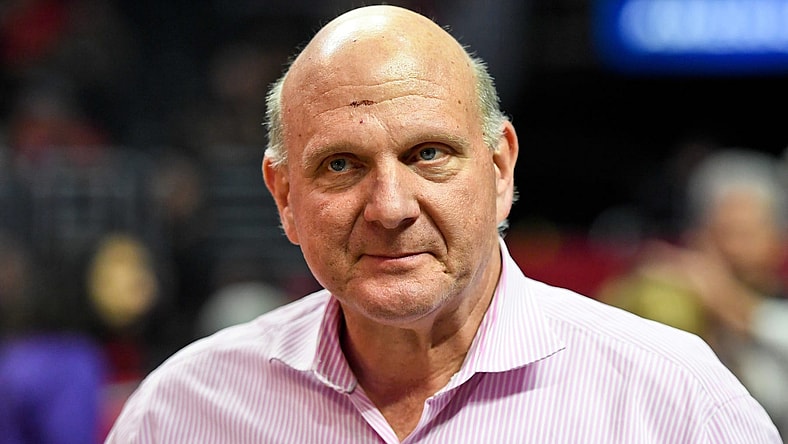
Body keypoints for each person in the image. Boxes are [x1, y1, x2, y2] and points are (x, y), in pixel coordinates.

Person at [105, 5, 781, 443]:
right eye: (341, 165)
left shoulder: (672, 402)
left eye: (428, 154)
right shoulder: (183, 413)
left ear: (500, 170)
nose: (391, 207)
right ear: (284, 195)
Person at [601, 147, 788, 439]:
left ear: (777, 240)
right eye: (722, 233)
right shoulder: (669, 295)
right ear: (699, 235)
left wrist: (728, 302)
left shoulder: (773, 309)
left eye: (746, 234)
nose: (733, 248)